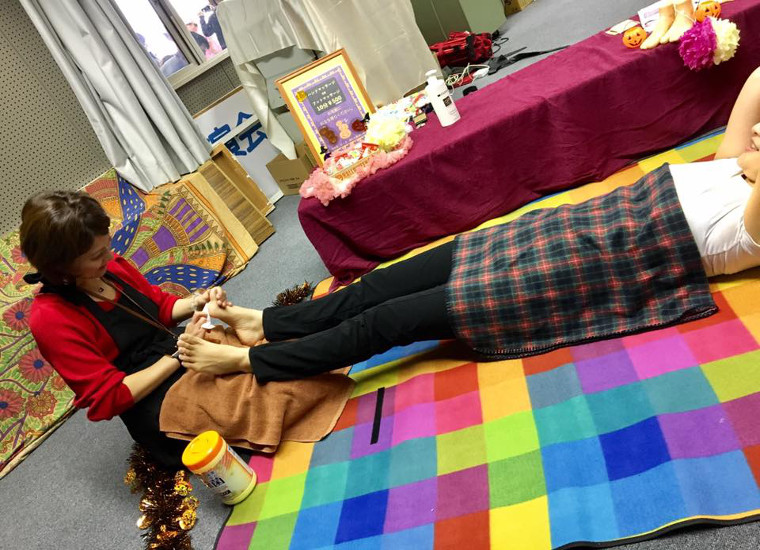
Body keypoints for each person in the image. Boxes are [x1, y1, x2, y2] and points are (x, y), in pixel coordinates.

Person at [176, 67, 760, 382]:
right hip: (550, 232)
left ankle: (251, 361)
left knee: (387, 321)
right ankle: (268, 323)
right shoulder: (734, 164)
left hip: (572, 272)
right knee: (382, 283)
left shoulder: (748, 229)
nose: (755, 132)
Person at [21, 194, 352, 466]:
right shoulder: (50, 317)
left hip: (179, 348)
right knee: (268, 391)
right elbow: (111, 397)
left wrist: (200, 301)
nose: (110, 256)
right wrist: (178, 356)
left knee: (274, 353)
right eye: (97, 255)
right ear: (61, 266)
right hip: (152, 395)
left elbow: (160, 309)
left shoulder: (112, 266)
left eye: (107, 246)